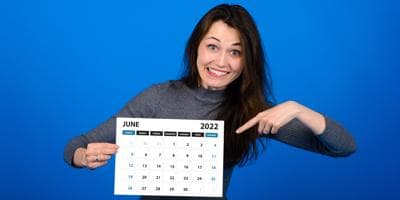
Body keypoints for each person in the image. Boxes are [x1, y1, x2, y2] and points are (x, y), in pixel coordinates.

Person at [64, 3, 356, 199]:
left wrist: (298, 109)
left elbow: (343, 147)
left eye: (235, 52)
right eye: (213, 47)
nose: (221, 62)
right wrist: (84, 157)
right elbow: (76, 145)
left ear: (246, 61)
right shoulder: (157, 97)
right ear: (196, 49)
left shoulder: (253, 112)